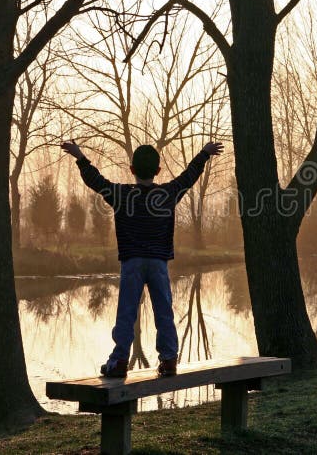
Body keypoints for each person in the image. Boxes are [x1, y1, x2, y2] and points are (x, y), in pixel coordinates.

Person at [61, 139, 224, 378]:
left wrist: (80, 156)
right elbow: (188, 177)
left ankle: (118, 361)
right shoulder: (167, 194)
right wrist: (205, 154)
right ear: (157, 171)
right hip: (158, 263)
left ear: (132, 170)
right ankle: (168, 360)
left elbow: (95, 181)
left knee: (127, 312)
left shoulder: (121, 194)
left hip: (132, 263)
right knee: (164, 312)